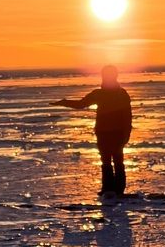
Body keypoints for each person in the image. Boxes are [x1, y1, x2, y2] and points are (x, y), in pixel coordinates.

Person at [51, 65, 132, 197]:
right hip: (104, 132)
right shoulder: (100, 94)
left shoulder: (119, 94)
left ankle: (117, 190)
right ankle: (109, 189)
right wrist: (64, 102)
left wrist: (126, 132)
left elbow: (127, 116)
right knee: (108, 161)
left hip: (115, 133)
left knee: (116, 161)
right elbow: (81, 104)